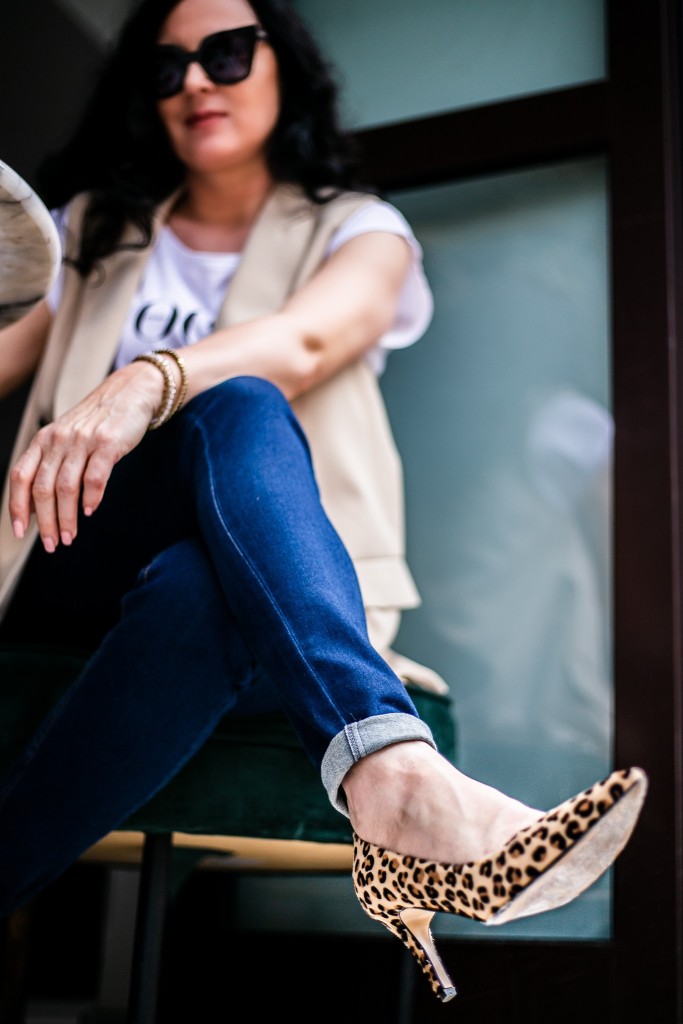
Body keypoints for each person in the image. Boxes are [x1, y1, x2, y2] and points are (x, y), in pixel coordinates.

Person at [0, 0, 647, 1004]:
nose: (196, 83)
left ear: (282, 67)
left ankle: (384, 776)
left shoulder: (359, 230)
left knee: (218, 521)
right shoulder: (92, 229)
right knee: (237, 409)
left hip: (261, 591)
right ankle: (395, 778)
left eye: (224, 54)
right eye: (167, 68)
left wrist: (145, 380)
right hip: (76, 555)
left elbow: (304, 343)